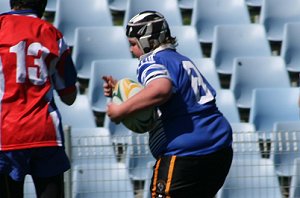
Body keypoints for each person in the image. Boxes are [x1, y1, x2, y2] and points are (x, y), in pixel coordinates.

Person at [103, 10, 233, 198]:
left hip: (186, 151)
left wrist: (121, 109)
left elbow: (162, 88)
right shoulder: (180, 59)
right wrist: (118, 90)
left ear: (147, 41)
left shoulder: (150, 60)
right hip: (219, 148)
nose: (131, 50)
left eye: (133, 44)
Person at [0, 0, 78, 197]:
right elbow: (69, 96)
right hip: (45, 132)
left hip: (5, 133)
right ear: (43, 4)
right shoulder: (53, 34)